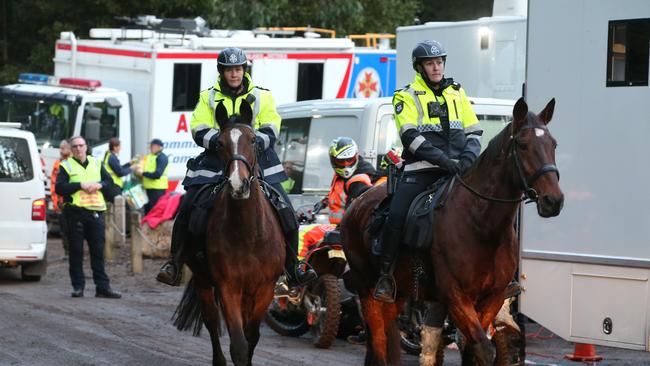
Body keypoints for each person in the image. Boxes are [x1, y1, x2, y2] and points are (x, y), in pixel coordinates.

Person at [156, 47, 316, 287]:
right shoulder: (207, 96)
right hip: (217, 158)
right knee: (188, 206)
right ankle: (174, 263)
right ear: (222, 72)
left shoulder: (263, 96)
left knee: (286, 210)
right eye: (230, 70)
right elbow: (198, 127)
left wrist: (249, 143)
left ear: (244, 70)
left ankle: (294, 265)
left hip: (257, 158)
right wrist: (223, 143)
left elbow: (272, 126)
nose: (234, 74)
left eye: (238, 69)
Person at [373, 40, 483, 303]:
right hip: (421, 171)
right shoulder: (405, 95)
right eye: (431, 63)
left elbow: (474, 131)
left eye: (439, 62)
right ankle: (385, 276)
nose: (437, 68)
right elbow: (410, 137)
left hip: (458, 171)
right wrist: (445, 161)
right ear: (419, 67)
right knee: (396, 215)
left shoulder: (457, 92)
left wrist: (468, 157)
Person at [55, 136, 122, 299]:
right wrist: (80, 185)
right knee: (76, 252)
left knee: (98, 252)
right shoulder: (66, 166)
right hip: (75, 214)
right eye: (75, 146)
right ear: (71, 149)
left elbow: (110, 182)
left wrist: (100, 185)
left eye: (81, 145)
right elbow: (59, 188)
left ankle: (102, 287)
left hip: (95, 213)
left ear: (86, 147)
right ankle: (78, 287)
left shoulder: (97, 163)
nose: (78, 149)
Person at [322, 137, 375, 224]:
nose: (346, 165)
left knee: (303, 234)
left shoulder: (358, 181)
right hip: (337, 228)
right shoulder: (339, 176)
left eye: (349, 160)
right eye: (341, 161)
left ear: (356, 157)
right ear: (333, 161)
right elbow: (340, 195)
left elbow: (353, 215)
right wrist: (325, 201)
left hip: (344, 232)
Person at [50, 140, 71, 257]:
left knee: (73, 229)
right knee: (64, 230)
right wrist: (55, 203)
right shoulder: (58, 164)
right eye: (60, 148)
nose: (61, 150)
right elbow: (53, 185)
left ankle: (73, 251)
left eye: (63, 148)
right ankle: (67, 251)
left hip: (73, 202)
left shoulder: (75, 162)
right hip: (61, 202)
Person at [136, 138, 169, 214]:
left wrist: (143, 173)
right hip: (148, 188)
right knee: (148, 211)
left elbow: (157, 174)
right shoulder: (150, 156)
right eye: (150, 146)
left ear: (159, 147)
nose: (150, 148)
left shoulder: (162, 157)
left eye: (152, 146)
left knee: (156, 211)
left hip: (157, 190)